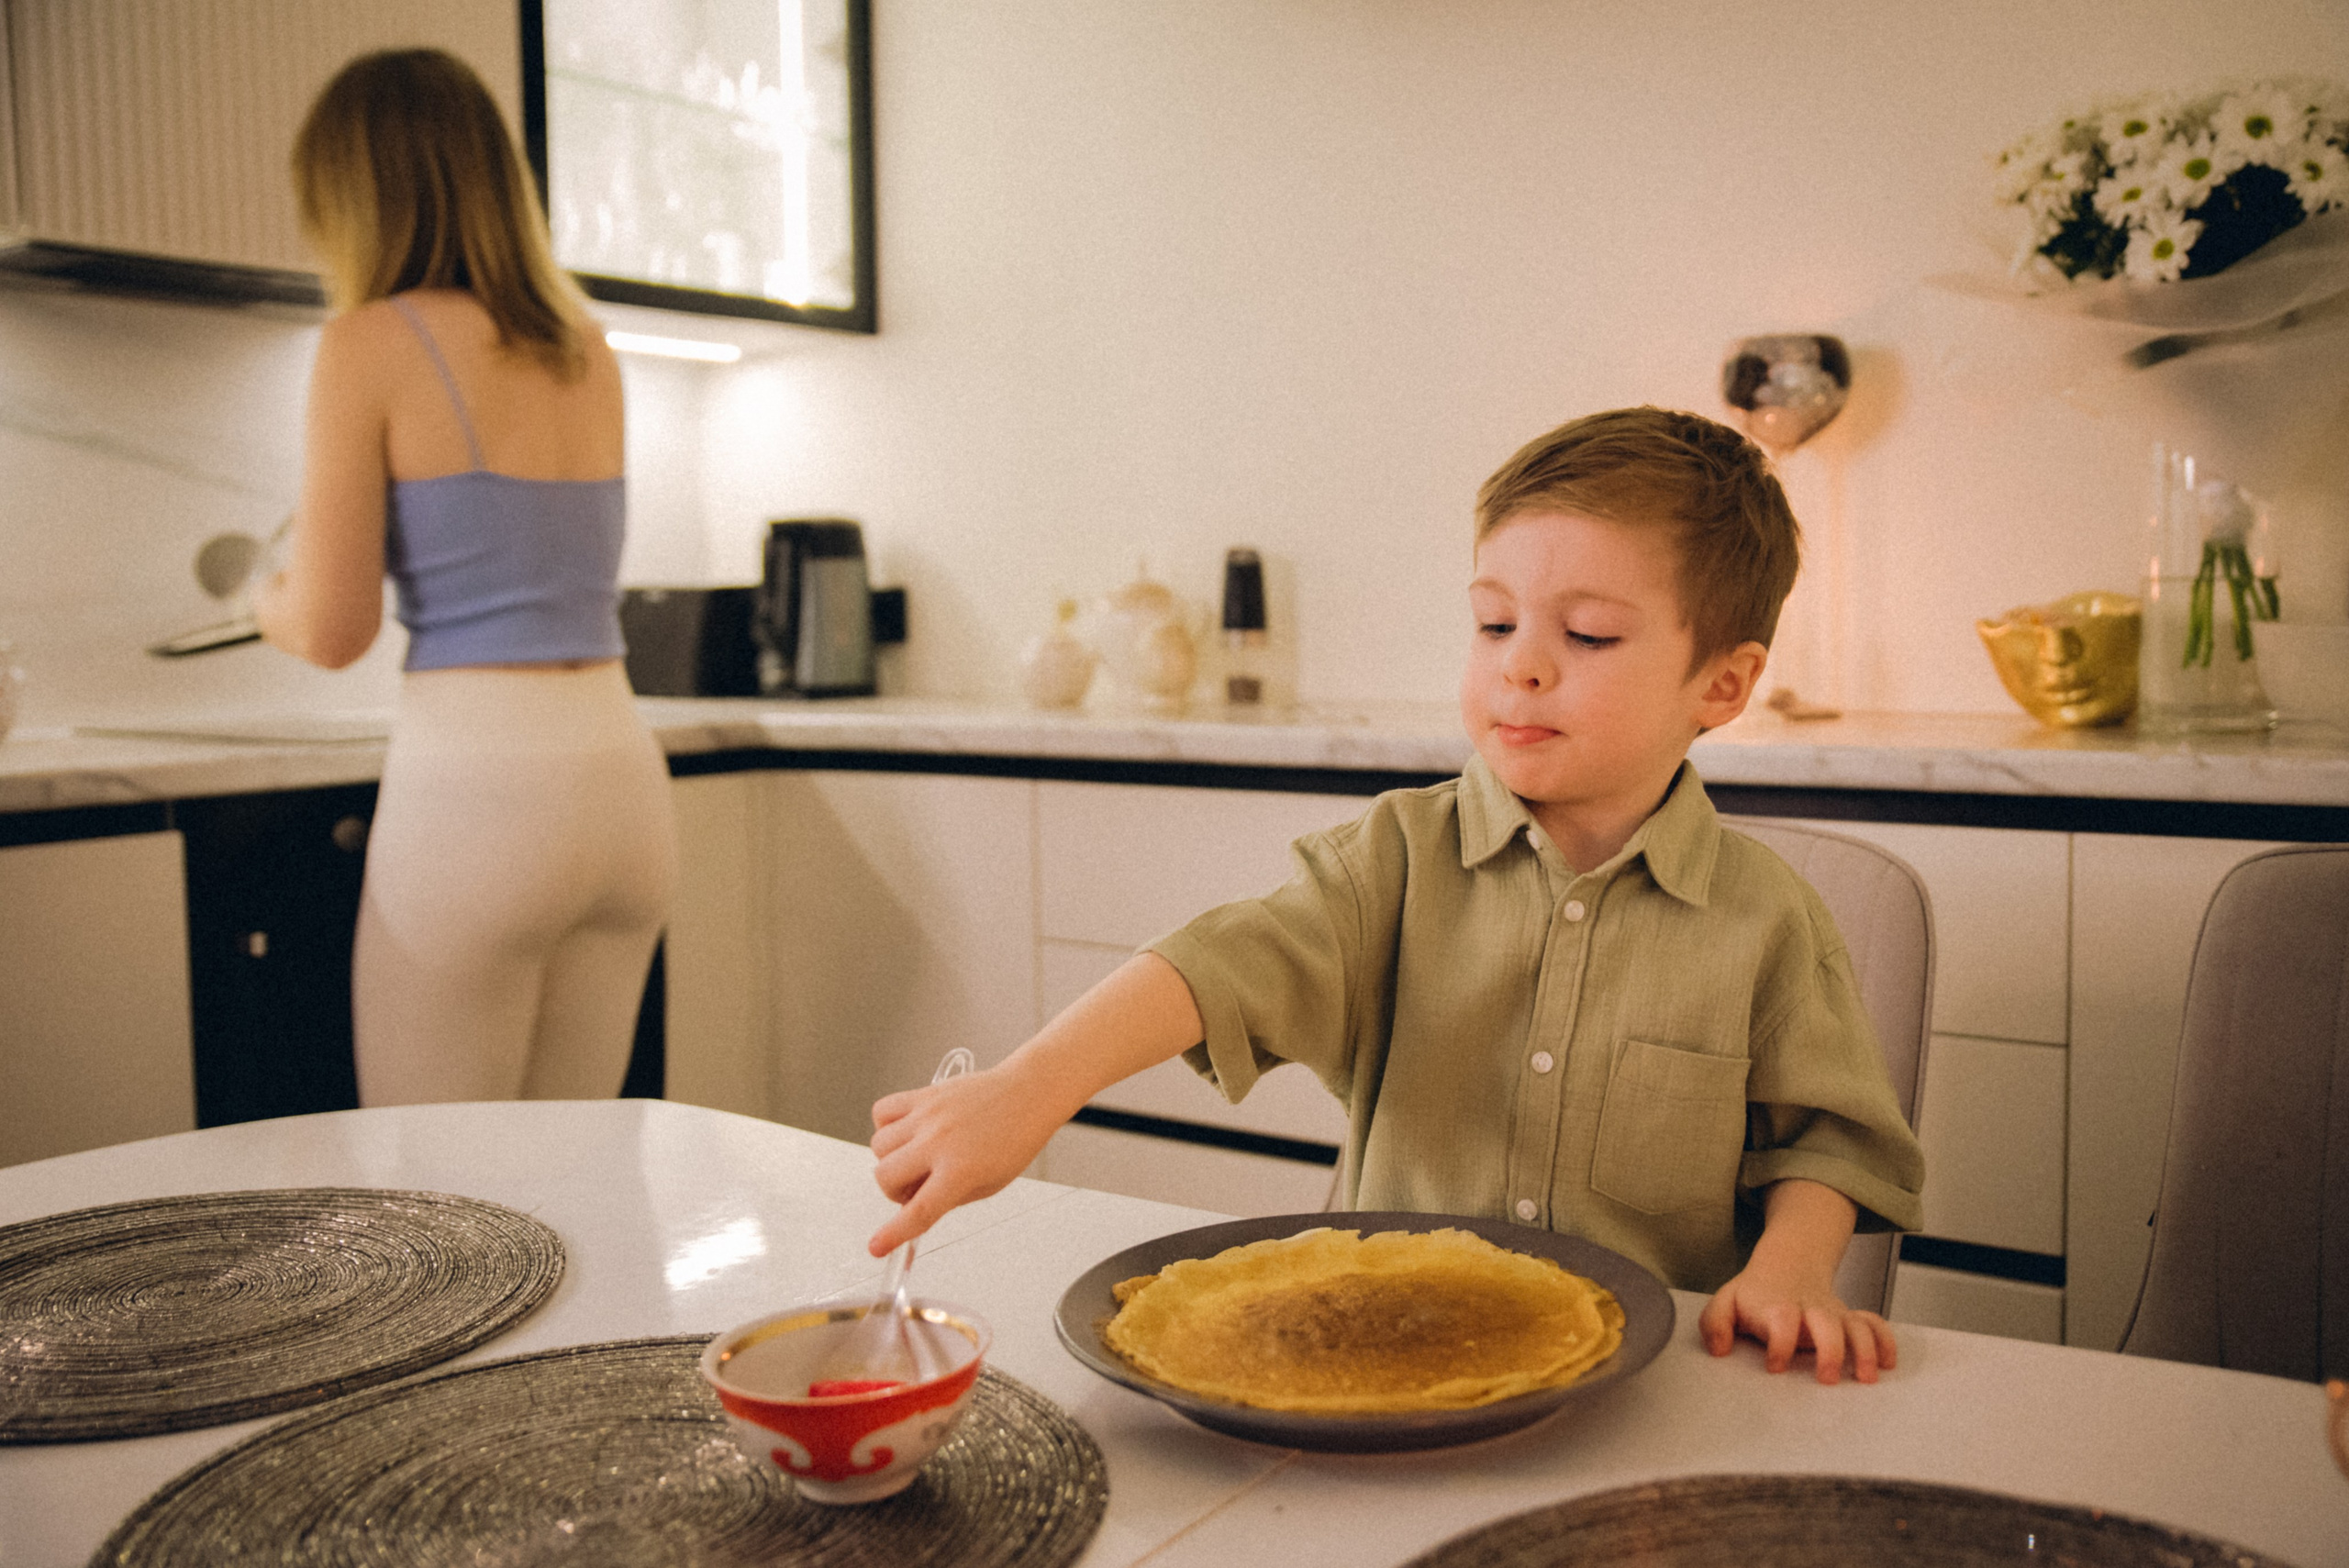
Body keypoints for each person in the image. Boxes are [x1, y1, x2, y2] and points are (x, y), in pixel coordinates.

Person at [866, 407, 1925, 1384]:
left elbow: (1824, 1142)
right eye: (1494, 625)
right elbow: (1218, 964)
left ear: (1723, 683)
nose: (1523, 668)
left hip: (1656, 1392)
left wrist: (1791, 1269)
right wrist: (1030, 1083)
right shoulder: (1393, 859)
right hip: (1390, 1376)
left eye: (1588, 635)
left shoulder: (1770, 920)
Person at [254, 49, 676, 1106]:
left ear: (350, 199)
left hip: (478, 797)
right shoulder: (589, 346)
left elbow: (333, 624)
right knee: (575, 1176)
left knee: (436, 1203)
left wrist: (259, 598)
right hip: (621, 789)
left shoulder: (367, 344)